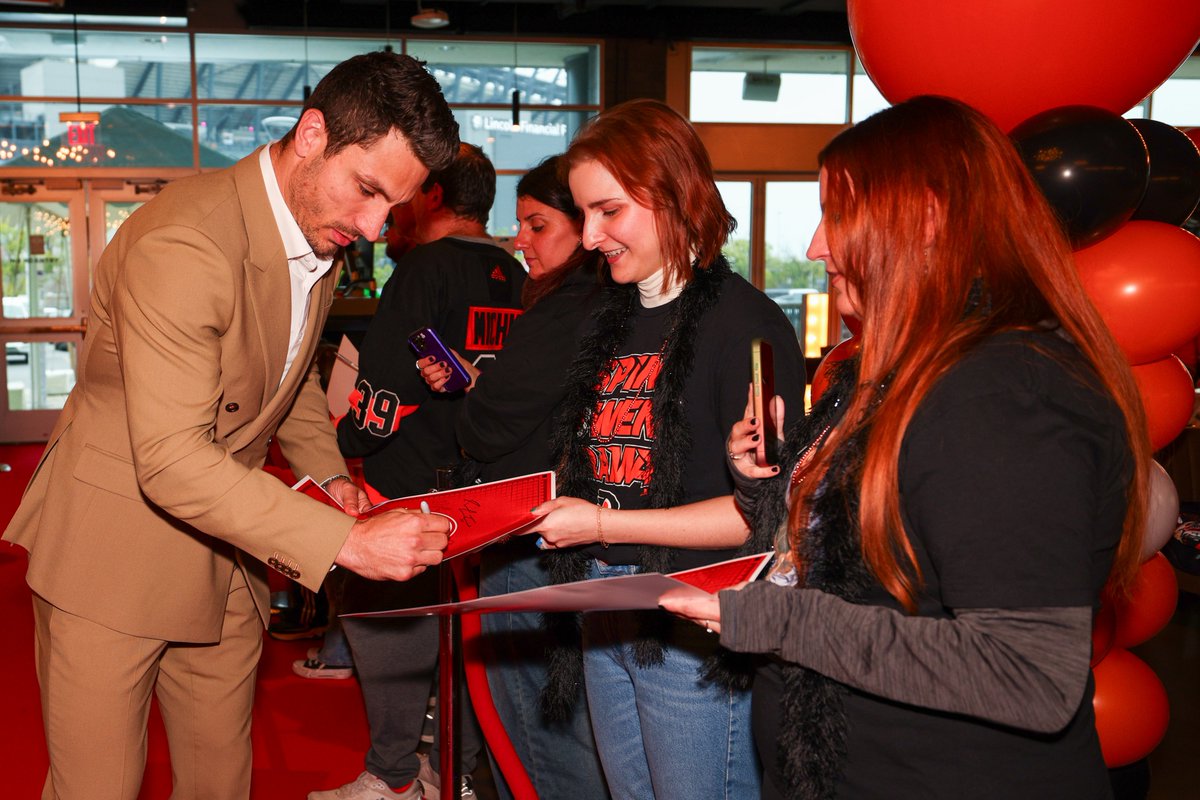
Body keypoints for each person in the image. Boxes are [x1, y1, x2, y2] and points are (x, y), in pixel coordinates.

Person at [661, 95, 1152, 799]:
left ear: (925, 217)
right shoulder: (899, 368)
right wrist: (760, 485)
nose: (815, 247)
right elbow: (860, 545)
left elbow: (1028, 672)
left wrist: (778, 620)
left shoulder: (1003, 393)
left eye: (838, 214)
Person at [2, 51, 459, 800]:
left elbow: (291, 381)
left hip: (228, 548)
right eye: (369, 190)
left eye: (393, 207)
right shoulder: (186, 244)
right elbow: (173, 460)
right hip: (112, 552)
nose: (374, 225)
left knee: (221, 781)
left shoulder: (320, 230)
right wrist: (342, 541)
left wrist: (330, 480)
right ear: (311, 134)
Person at [529, 99, 806, 799]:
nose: (589, 236)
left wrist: (599, 524)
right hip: (606, 605)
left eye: (608, 211)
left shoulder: (746, 325)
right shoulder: (608, 318)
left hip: (695, 626)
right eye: (583, 213)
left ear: (672, 196)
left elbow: (762, 519)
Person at [310, 143, 526, 800]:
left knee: (386, 625)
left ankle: (394, 776)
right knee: (467, 640)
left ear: (432, 197)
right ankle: (450, 771)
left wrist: (349, 442)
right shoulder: (520, 275)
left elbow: (383, 391)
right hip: (486, 484)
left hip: (407, 481)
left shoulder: (424, 269)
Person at [422, 155, 611, 799]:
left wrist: (478, 398)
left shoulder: (568, 309)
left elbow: (487, 428)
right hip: (586, 540)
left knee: (538, 741)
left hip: (534, 537)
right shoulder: (615, 307)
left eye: (537, 225)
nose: (520, 242)